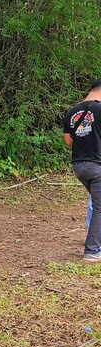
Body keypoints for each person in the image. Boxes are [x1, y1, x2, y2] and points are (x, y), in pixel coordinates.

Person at [64, 78, 101, 262]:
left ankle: (96, 243)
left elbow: (68, 141)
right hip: (97, 166)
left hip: (79, 166)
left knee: (96, 205)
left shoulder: (73, 111)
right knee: (99, 208)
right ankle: (92, 251)